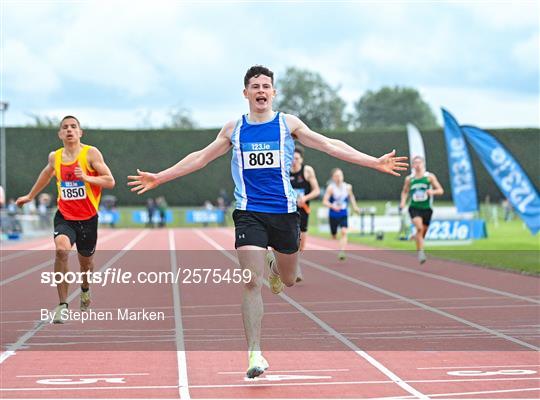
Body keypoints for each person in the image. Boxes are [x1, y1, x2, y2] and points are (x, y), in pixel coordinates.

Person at [128, 65, 407, 379]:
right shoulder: (234, 129)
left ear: (274, 92)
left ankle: (275, 267)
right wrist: (160, 177)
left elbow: (330, 145)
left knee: (288, 280)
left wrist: (374, 162)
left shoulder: (287, 124)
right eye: (255, 86)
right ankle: (255, 354)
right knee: (249, 281)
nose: (261, 91)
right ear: (245, 93)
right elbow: (200, 157)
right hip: (249, 213)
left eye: (266, 86)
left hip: (285, 213)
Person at [16, 116, 115, 322]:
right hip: (65, 217)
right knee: (61, 251)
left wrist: (86, 177)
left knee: (85, 263)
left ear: (80, 132)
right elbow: (46, 174)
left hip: (87, 218)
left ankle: (85, 289)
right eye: (65, 127)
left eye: (73, 127)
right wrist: (30, 196)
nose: (69, 130)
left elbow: (110, 181)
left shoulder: (91, 153)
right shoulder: (56, 157)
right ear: (60, 134)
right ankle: (62, 305)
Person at [399, 155, 444, 264]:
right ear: (413, 165)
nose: (418, 165)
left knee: (422, 233)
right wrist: (403, 202)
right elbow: (405, 191)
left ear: (423, 164)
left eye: (419, 163)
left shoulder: (429, 177)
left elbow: (440, 190)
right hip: (414, 207)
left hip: (427, 209)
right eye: (415, 163)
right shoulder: (409, 179)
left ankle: (416, 237)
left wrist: (432, 192)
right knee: (419, 228)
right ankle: (421, 253)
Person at [289, 145, 320, 281]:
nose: (294, 161)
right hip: (288, 211)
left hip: (303, 210)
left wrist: (305, 198)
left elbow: (317, 191)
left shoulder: (307, 171)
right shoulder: (284, 170)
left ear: (301, 159)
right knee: (291, 239)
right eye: (292, 158)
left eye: (296, 158)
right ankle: (296, 268)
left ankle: (295, 263)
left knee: (301, 243)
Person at [322, 168, 360, 261]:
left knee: (344, 231)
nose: (339, 178)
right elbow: (324, 201)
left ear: (343, 176)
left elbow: (351, 197)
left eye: (340, 175)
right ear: (333, 178)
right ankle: (335, 236)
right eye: (336, 176)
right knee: (334, 236)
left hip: (343, 213)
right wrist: (332, 206)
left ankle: (342, 251)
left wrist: (355, 207)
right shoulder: (331, 188)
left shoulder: (347, 187)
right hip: (333, 214)